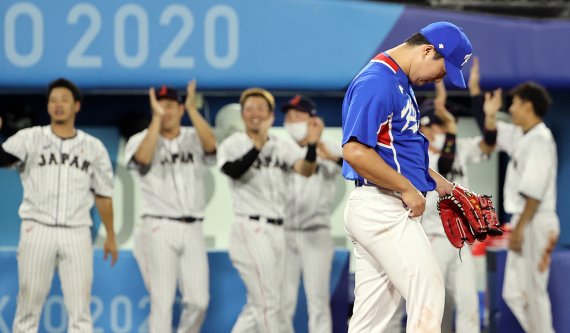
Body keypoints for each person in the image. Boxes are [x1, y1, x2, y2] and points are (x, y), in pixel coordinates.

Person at [341, 22, 473, 332]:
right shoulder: (378, 82)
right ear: (428, 50)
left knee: (371, 319)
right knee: (428, 292)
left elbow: (398, 154)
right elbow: (355, 152)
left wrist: (445, 186)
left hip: (383, 206)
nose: (440, 78)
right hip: (382, 207)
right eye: (443, 70)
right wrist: (407, 189)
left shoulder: (398, 81)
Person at [0, 78, 118, 333]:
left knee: (80, 312)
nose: (58, 105)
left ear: (77, 105)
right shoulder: (30, 137)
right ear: (48, 106)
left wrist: (110, 235)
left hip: (76, 232)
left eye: (64, 99)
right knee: (28, 307)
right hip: (37, 228)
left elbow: (103, 194)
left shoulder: (93, 147)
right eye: (53, 100)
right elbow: (4, 158)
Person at [217, 88, 323, 333]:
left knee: (266, 303)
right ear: (242, 114)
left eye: (260, 108)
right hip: (250, 227)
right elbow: (232, 170)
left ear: (270, 114)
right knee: (269, 302)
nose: (255, 113)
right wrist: (258, 146)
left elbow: (306, 169)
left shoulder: (281, 145)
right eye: (250, 108)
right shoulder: (233, 143)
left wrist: (312, 144)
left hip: (279, 230)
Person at [125, 81, 216, 333]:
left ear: (180, 109)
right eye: (160, 106)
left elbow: (212, 147)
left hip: (193, 227)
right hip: (157, 225)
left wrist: (193, 110)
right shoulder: (140, 139)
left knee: (199, 301)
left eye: (170, 106)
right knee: (161, 302)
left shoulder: (194, 137)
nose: (165, 111)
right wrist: (155, 120)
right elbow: (142, 160)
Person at [478, 80, 558, 332]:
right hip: (524, 219)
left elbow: (534, 193)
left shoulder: (540, 139)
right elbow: (493, 134)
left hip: (534, 219)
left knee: (533, 293)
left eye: (514, 103)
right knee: (513, 292)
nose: (510, 109)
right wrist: (488, 112)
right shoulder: (524, 136)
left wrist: (520, 229)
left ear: (527, 106)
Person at [419, 81, 488, 333]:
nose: (440, 128)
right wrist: (450, 131)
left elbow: (489, 142)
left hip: (460, 240)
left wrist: (482, 105)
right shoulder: (420, 157)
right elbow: (445, 166)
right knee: (437, 307)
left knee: (468, 301)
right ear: (424, 127)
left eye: (442, 124)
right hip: (434, 238)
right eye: (436, 124)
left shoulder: (457, 147)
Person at [280, 95, 342, 333]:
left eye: (298, 115)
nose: (292, 120)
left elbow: (353, 169)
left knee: (317, 301)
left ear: (312, 119)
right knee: (283, 301)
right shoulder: (280, 147)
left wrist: (327, 153)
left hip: (316, 233)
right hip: (284, 232)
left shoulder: (329, 146)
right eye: (288, 116)